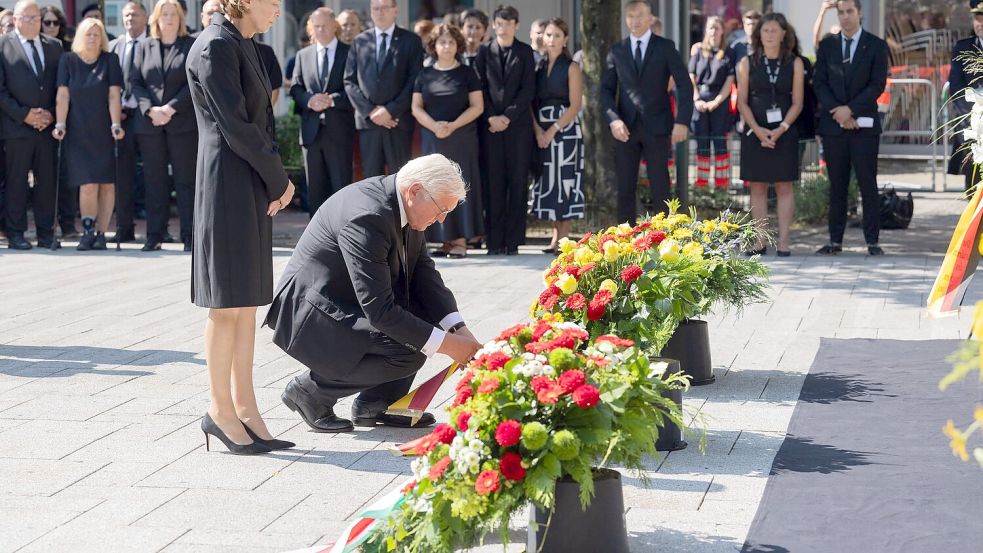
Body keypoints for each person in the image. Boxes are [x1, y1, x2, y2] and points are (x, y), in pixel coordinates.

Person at [266, 154, 483, 433]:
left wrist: (459, 330)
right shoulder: (368, 215)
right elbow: (380, 311)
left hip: (344, 299)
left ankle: (377, 404)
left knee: (419, 324)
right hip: (312, 311)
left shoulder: (402, 203)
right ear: (415, 191)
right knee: (411, 347)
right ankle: (310, 392)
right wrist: (450, 346)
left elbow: (425, 277)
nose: (441, 220)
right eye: (441, 209)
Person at [187, 0, 296, 455]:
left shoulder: (242, 42)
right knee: (226, 303)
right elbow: (237, 127)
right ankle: (219, 409)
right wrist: (280, 177)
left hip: (247, 178)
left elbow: (259, 120)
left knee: (247, 300)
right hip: (227, 182)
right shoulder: (215, 45)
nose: (278, 10)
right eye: (273, 2)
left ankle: (246, 408)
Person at [601, 0, 692, 224]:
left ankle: (664, 239)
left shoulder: (665, 46)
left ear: (650, 18)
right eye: (630, 16)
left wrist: (682, 121)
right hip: (625, 128)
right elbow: (605, 90)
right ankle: (626, 241)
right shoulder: (618, 50)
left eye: (639, 15)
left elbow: (684, 84)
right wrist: (613, 120)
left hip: (658, 125)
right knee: (625, 188)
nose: (635, 21)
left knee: (661, 187)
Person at [813, 0, 888, 256]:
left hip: (864, 127)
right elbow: (819, 83)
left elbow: (877, 84)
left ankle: (872, 241)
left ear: (860, 13)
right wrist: (839, 112)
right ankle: (835, 241)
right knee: (837, 186)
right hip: (835, 127)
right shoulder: (828, 45)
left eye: (849, 12)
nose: (845, 17)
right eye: (841, 12)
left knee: (868, 184)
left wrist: (851, 110)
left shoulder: (876, 45)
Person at [52, 17, 124, 251]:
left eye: (96, 34)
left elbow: (114, 95)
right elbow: (63, 95)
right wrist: (60, 123)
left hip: (104, 128)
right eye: (88, 33)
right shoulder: (68, 60)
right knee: (88, 184)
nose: (92, 38)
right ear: (81, 36)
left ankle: (102, 233)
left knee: (107, 184)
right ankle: (88, 230)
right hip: (78, 129)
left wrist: (116, 124)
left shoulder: (110, 60)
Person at [412, 24, 483, 259]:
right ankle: (443, 241)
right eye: (442, 42)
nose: (446, 46)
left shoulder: (467, 73)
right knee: (434, 186)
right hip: (433, 137)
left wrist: (452, 126)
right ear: (434, 46)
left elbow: (477, 106)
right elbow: (416, 107)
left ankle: (460, 241)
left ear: (458, 46)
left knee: (460, 185)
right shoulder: (424, 74)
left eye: (451, 42)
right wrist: (434, 126)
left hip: (461, 137)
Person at [130, 0, 196, 252]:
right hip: (150, 124)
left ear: (180, 18)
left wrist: (170, 108)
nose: (169, 18)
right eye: (164, 14)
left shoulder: (189, 45)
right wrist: (150, 109)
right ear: (155, 18)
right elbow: (135, 82)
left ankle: (189, 235)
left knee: (185, 182)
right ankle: (154, 235)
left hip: (181, 122)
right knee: (154, 181)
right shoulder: (145, 46)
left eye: (173, 14)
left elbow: (194, 82)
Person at [737, 13, 804, 257]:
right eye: (765, 31)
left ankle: (784, 241)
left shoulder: (795, 63)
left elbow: (798, 102)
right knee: (758, 187)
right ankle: (759, 241)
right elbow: (741, 102)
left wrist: (780, 129)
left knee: (785, 186)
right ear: (759, 35)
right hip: (755, 132)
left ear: (784, 34)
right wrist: (758, 130)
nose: (770, 35)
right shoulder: (747, 62)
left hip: (783, 132)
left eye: (774, 31)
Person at [0, 0, 62, 250]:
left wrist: (51, 114)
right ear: (15, 20)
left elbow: (63, 86)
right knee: (16, 182)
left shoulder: (55, 46)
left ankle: (47, 233)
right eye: (27, 18)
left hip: (47, 127)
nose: (33, 22)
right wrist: (25, 115)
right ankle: (16, 233)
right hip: (16, 127)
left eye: (36, 17)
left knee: (46, 182)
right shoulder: (3, 46)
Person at [475, 4, 534, 256]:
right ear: (494, 25)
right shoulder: (483, 51)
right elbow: (479, 87)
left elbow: (528, 89)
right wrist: (490, 116)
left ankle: (513, 241)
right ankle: (494, 241)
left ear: (516, 25)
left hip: (517, 127)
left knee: (518, 183)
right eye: (499, 23)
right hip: (489, 127)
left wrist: (507, 116)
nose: (504, 27)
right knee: (493, 183)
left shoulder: (525, 51)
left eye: (509, 23)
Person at [344, 0, 424, 177]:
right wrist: (372, 112)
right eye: (376, 9)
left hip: (398, 122)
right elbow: (349, 81)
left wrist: (390, 111)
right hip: (369, 123)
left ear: (395, 11)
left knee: (401, 179)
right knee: (372, 180)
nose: (380, 12)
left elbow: (415, 80)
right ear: (371, 12)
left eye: (385, 8)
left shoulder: (411, 41)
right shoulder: (360, 42)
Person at [289, 7, 354, 215]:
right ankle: (317, 241)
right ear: (311, 29)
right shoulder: (303, 55)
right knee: (315, 191)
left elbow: (356, 88)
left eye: (325, 25)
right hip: (311, 133)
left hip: (340, 131)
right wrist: (309, 100)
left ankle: (343, 238)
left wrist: (332, 100)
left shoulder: (350, 52)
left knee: (341, 189)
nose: (321, 30)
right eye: (316, 26)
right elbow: (295, 88)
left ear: (334, 25)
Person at [530, 18, 582, 251]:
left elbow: (575, 106)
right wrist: (538, 130)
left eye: (557, 36)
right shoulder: (538, 67)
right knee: (549, 180)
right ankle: (554, 236)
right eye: (548, 35)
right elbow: (531, 103)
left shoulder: (571, 67)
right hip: (541, 129)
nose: (551, 40)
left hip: (566, 130)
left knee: (565, 180)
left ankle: (564, 238)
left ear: (565, 39)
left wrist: (552, 130)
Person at [107, 1, 148, 244]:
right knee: (122, 176)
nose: (129, 19)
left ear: (145, 17)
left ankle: (156, 229)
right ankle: (124, 228)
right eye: (126, 15)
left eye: (134, 14)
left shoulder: (152, 45)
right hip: (120, 118)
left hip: (146, 118)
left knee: (154, 175)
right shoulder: (113, 46)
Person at [689, 16, 734, 189]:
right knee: (702, 143)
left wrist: (717, 101)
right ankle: (702, 186)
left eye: (717, 28)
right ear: (706, 31)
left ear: (723, 30)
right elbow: (691, 75)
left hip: (719, 102)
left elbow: (730, 80)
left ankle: (722, 186)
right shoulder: (698, 51)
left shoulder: (728, 52)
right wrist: (696, 98)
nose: (713, 31)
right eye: (710, 28)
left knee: (720, 142)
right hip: (699, 100)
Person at [948, 0, 983, 191]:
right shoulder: (963, 48)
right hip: (971, 123)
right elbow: (956, 86)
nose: (981, 23)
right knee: (973, 182)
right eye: (977, 18)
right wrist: (973, 115)